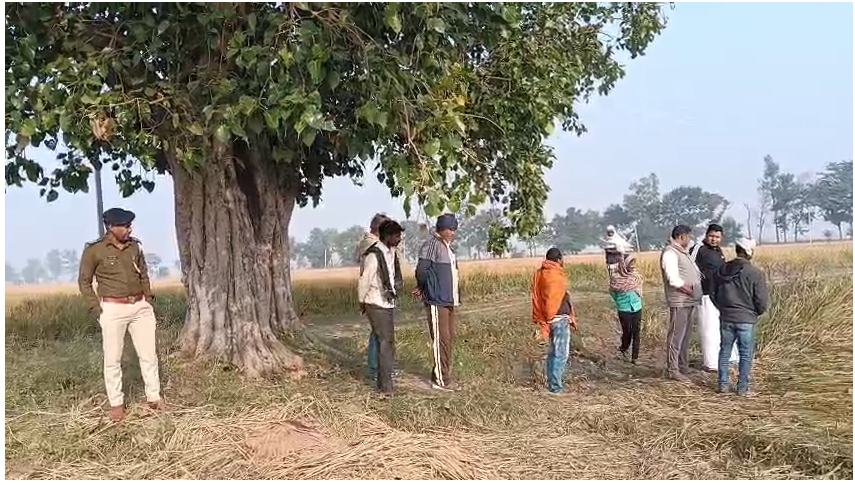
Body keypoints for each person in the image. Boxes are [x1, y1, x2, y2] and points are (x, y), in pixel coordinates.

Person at [78, 208, 162, 422]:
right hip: (113, 309)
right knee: (113, 359)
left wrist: (148, 299)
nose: (129, 229)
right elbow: (84, 282)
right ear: (111, 227)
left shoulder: (135, 247)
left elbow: (143, 273)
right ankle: (116, 404)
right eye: (124, 226)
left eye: (129, 225)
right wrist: (96, 310)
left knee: (149, 355)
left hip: (140, 307)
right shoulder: (94, 251)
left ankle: (154, 397)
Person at [710, 238, 769, 396]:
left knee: (724, 351)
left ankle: (722, 385)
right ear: (749, 253)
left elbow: (713, 294)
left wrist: (722, 308)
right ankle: (742, 387)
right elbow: (762, 300)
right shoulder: (756, 273)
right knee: (745, 354)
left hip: (726, 317)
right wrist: (756, 312)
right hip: (746, 319)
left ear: (737, 250)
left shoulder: (721, 270)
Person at [357, 219, 405, 396]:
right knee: (385, 343)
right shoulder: (374, 255)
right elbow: (364, 280)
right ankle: (386, 387)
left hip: (386, 301)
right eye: (397, 235)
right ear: (388, 236)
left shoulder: (390, 252)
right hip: (375, 302)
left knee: (385, 343)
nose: (399, 239)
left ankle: (382, 384)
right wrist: (362, 301)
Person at [414, 213, 461, 392]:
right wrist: (424, 287)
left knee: (448, 339)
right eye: (450, 229)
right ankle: (440, 381)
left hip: (449, 300)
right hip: (436, 299)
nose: (452, 232)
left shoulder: (448, 248)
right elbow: (422, 271)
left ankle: (442, 374)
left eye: (454, 229)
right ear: (441, 229)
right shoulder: (431, 245)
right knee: (440, 339)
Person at [690, 223, 738, 372]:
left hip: (720, 294)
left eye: (717, 237)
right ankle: (710, 363)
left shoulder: (718, 251)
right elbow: (689, 266)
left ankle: (728, 357)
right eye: (711, 236)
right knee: (708, 329)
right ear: (706, 235)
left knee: (722, 327)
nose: (714, 239)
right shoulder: (698, 249)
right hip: (705, 294)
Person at [531, 248, 578, 395]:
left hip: (550, 319)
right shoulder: (555, 275)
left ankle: (553, 385)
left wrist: (546, 320)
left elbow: (539, 297)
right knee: (561, 354)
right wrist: (552, 316)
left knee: (553, 353)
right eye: (562, 258)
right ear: (558, 260)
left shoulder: (541, 273)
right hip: (558, 319)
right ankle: (556, 388)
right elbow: (553, 298)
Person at [659, 224, 702, 381]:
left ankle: (683, 366)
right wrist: (688, 290)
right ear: (682, 236)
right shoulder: (670, 253)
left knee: (685, 336)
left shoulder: (682, 252)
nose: (690, 240)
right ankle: (673, 369)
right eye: (689, 237)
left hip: (688, 301)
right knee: (676, 337)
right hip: (680, 300)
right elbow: (673, 279)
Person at [355, 213, 390, 381]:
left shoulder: (367, 243)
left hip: (373, 296)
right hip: (374, 296)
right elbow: (367, 278)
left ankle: (377, 368)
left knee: (377, 334)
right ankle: (375, 369)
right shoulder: (374, 246)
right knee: (380, 335)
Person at [609, 252, 643, 364]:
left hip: (637, 307)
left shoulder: (635, 276)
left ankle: (635, 357)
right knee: (627, 332)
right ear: (624, 264)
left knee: (636, 332)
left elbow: (639, 288)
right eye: (630, 262)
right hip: (624, 309)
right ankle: (623, 348)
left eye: (634, 262)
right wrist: (620, 301)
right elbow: (612, 293)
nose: (633, 265)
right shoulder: (616, 278)